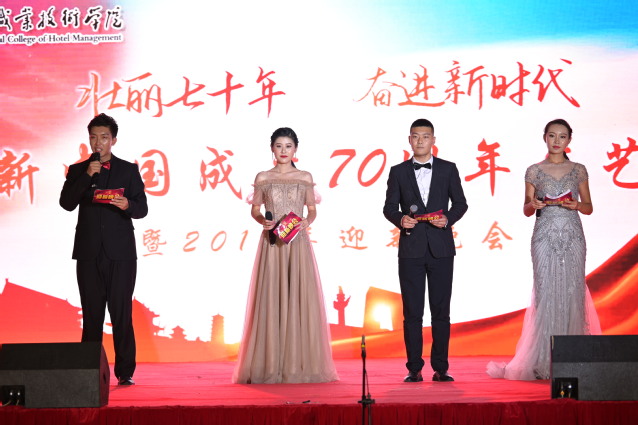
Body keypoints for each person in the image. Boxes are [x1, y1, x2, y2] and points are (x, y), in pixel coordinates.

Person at [487, 118, 601, 380]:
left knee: (572, 292)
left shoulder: (578, 170)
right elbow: (526, 209)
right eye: (552, 135)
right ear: (545, 138)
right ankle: (542, 360)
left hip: (572, 236)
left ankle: (572, 358)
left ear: (569, 140)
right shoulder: (534, 171)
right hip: (543, 236)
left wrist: (576, 205)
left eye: (562, 136)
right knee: (545, 293)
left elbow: (589, 207)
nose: (557, 141)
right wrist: (534, 205)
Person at [232, 127, 338, 384]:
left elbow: (312, 209)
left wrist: (307, 221)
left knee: (298, 298)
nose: (283, 151)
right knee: (271, 297)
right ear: (272, 148)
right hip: (272, 243)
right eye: (279, 146)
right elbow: (255, 210)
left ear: (295, 149)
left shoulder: (304, 177)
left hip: (297, 244)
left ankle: (296, 364)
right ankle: (269, 365)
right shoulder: (263, 177)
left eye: (288, 146)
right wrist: (262, 221)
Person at [60, 113, 148, 386]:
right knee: (92, 314)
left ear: (114, 140)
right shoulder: (78, 170)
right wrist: (87, 175)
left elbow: (142, 208)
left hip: (121, 253)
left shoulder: (128, 170)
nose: (98, 142)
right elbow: (66, 203)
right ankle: (89, 371)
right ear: (89, 140)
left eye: (104, 137)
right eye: (93, 137)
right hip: (88, 252)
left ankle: (125, 372)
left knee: (121, 313)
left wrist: (128, 205)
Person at [383, 118, 468, 383]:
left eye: (425, 136)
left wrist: (448, 219)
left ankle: (441, 368)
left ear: (433, 140)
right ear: (409, 140)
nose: (420, 141)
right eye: (415, 136)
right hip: (411, 249)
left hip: (441, 248)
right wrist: (400, 219)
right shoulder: (398, 172)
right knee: (412, 313)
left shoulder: (448, 169)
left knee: (441, 312)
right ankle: (414, 368)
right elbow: (389, 207)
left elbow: (461, 204)